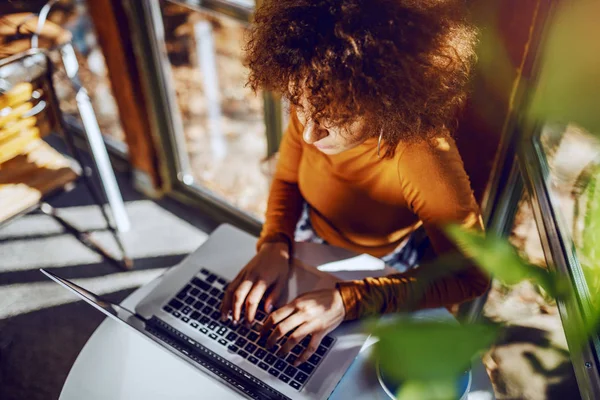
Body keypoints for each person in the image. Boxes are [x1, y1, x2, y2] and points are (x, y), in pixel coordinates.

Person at [220, 0, 490, 366]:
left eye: (336, 117)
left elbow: (472, 277)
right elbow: (286, 178)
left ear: (387, 102)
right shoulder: (317, 90)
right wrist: (275, 243)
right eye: (297, 103)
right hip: (306, 233)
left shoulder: (424, 157)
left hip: (381, 264)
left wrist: (347, 301)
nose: (311, 133)